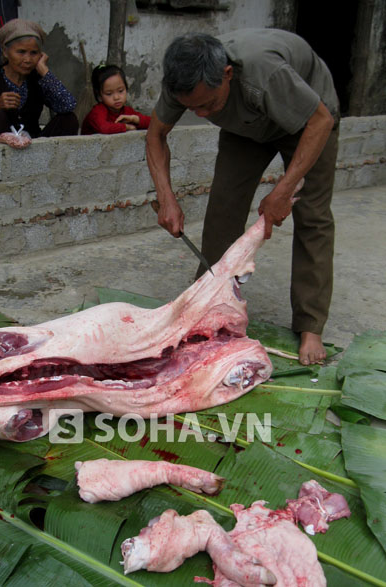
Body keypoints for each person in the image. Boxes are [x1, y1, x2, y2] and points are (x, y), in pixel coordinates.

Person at [146, 30, 340, 366]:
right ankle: (207, 298)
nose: (202, 115)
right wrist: (166, 198)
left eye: (208, 104)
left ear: (227, 75)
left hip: (310, 121)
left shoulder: (265, 74)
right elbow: (155, 135)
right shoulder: (183, 81)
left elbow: (320, 121)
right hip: (247, 126)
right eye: (193, 109)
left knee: (311, 215)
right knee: (224, 204)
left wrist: (282, 190)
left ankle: (311, 325)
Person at [0, 18, 78, 143]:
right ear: (5, 52)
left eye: (34, 53)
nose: (28, 59)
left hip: (34, 147)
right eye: (21, 52)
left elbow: (68, 106)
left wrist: (44, 71)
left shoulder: (39, 78)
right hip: (3, 152)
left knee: (69, 119)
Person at [81, 64, 151, 134]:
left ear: (126, 89)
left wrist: (135, 119)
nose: (116, 97)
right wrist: (126, 127)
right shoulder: (97, 112)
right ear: (99, 96)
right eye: (109, 94)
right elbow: (104, 128)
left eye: (120, 91)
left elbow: (153, 123)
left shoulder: (127, 111)